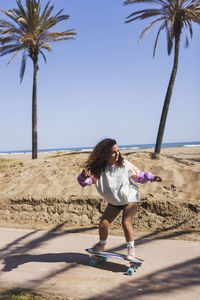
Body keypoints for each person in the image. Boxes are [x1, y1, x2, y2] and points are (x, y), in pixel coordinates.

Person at [77, 138, 162, 260]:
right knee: (103, 225)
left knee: (125, 222)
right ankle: (101, 245)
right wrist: (83, 176)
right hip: (115, 201)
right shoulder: (97, 170)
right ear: (105, 154)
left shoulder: (124, 164)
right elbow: (85, 182)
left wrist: (152, 178)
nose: (117, 154)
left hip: (130, 198)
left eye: (118, 151)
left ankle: (131, 251)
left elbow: (139, 175)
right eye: (113, 152)